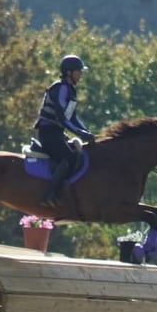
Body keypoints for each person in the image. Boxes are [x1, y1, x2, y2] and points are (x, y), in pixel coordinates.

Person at [33, 54, 96, 207]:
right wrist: (81, 134)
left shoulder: (69, 90)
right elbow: (63, 118)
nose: (80, 75)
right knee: (68, 159)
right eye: (78, 71)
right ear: (69, 72)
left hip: (56, 132)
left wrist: (86, 132)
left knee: (76, 153)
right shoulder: (60, 88)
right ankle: (51, 195)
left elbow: (73, 117)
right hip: (48, 132)